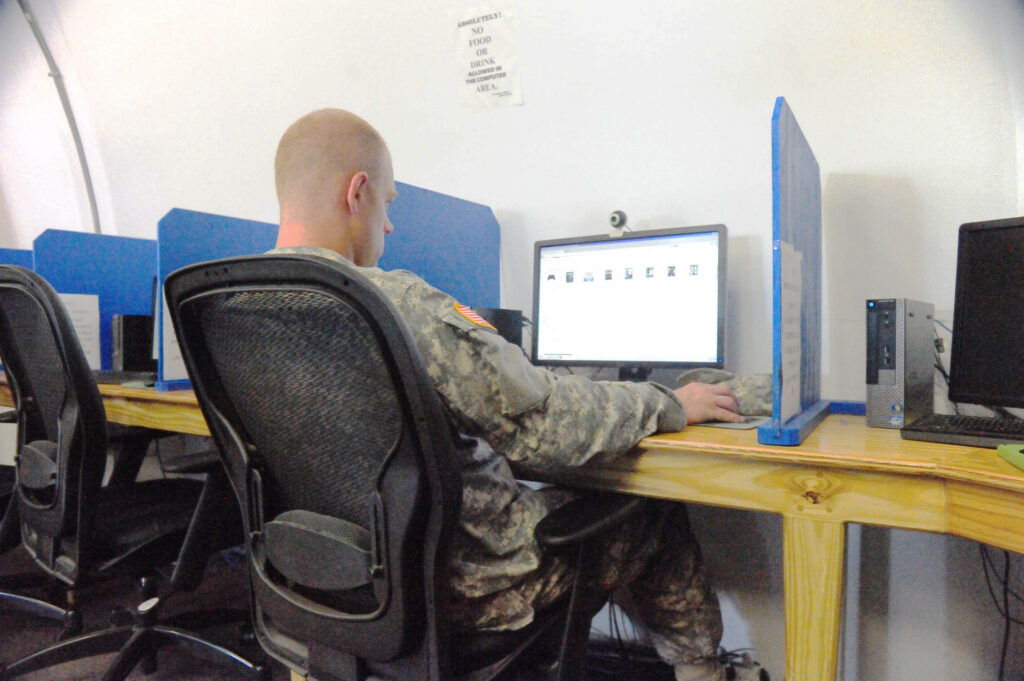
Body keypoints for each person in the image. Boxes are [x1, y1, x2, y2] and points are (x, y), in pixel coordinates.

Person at [271, 108, 768, 681]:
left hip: (320, 579)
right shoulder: (392, 302)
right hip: (469, 589)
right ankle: (707, 672)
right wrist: (674, 402)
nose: (388, 228)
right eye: (388, 203)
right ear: (357, 193)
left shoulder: (233, 308)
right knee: (654, 513)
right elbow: (547, 428)